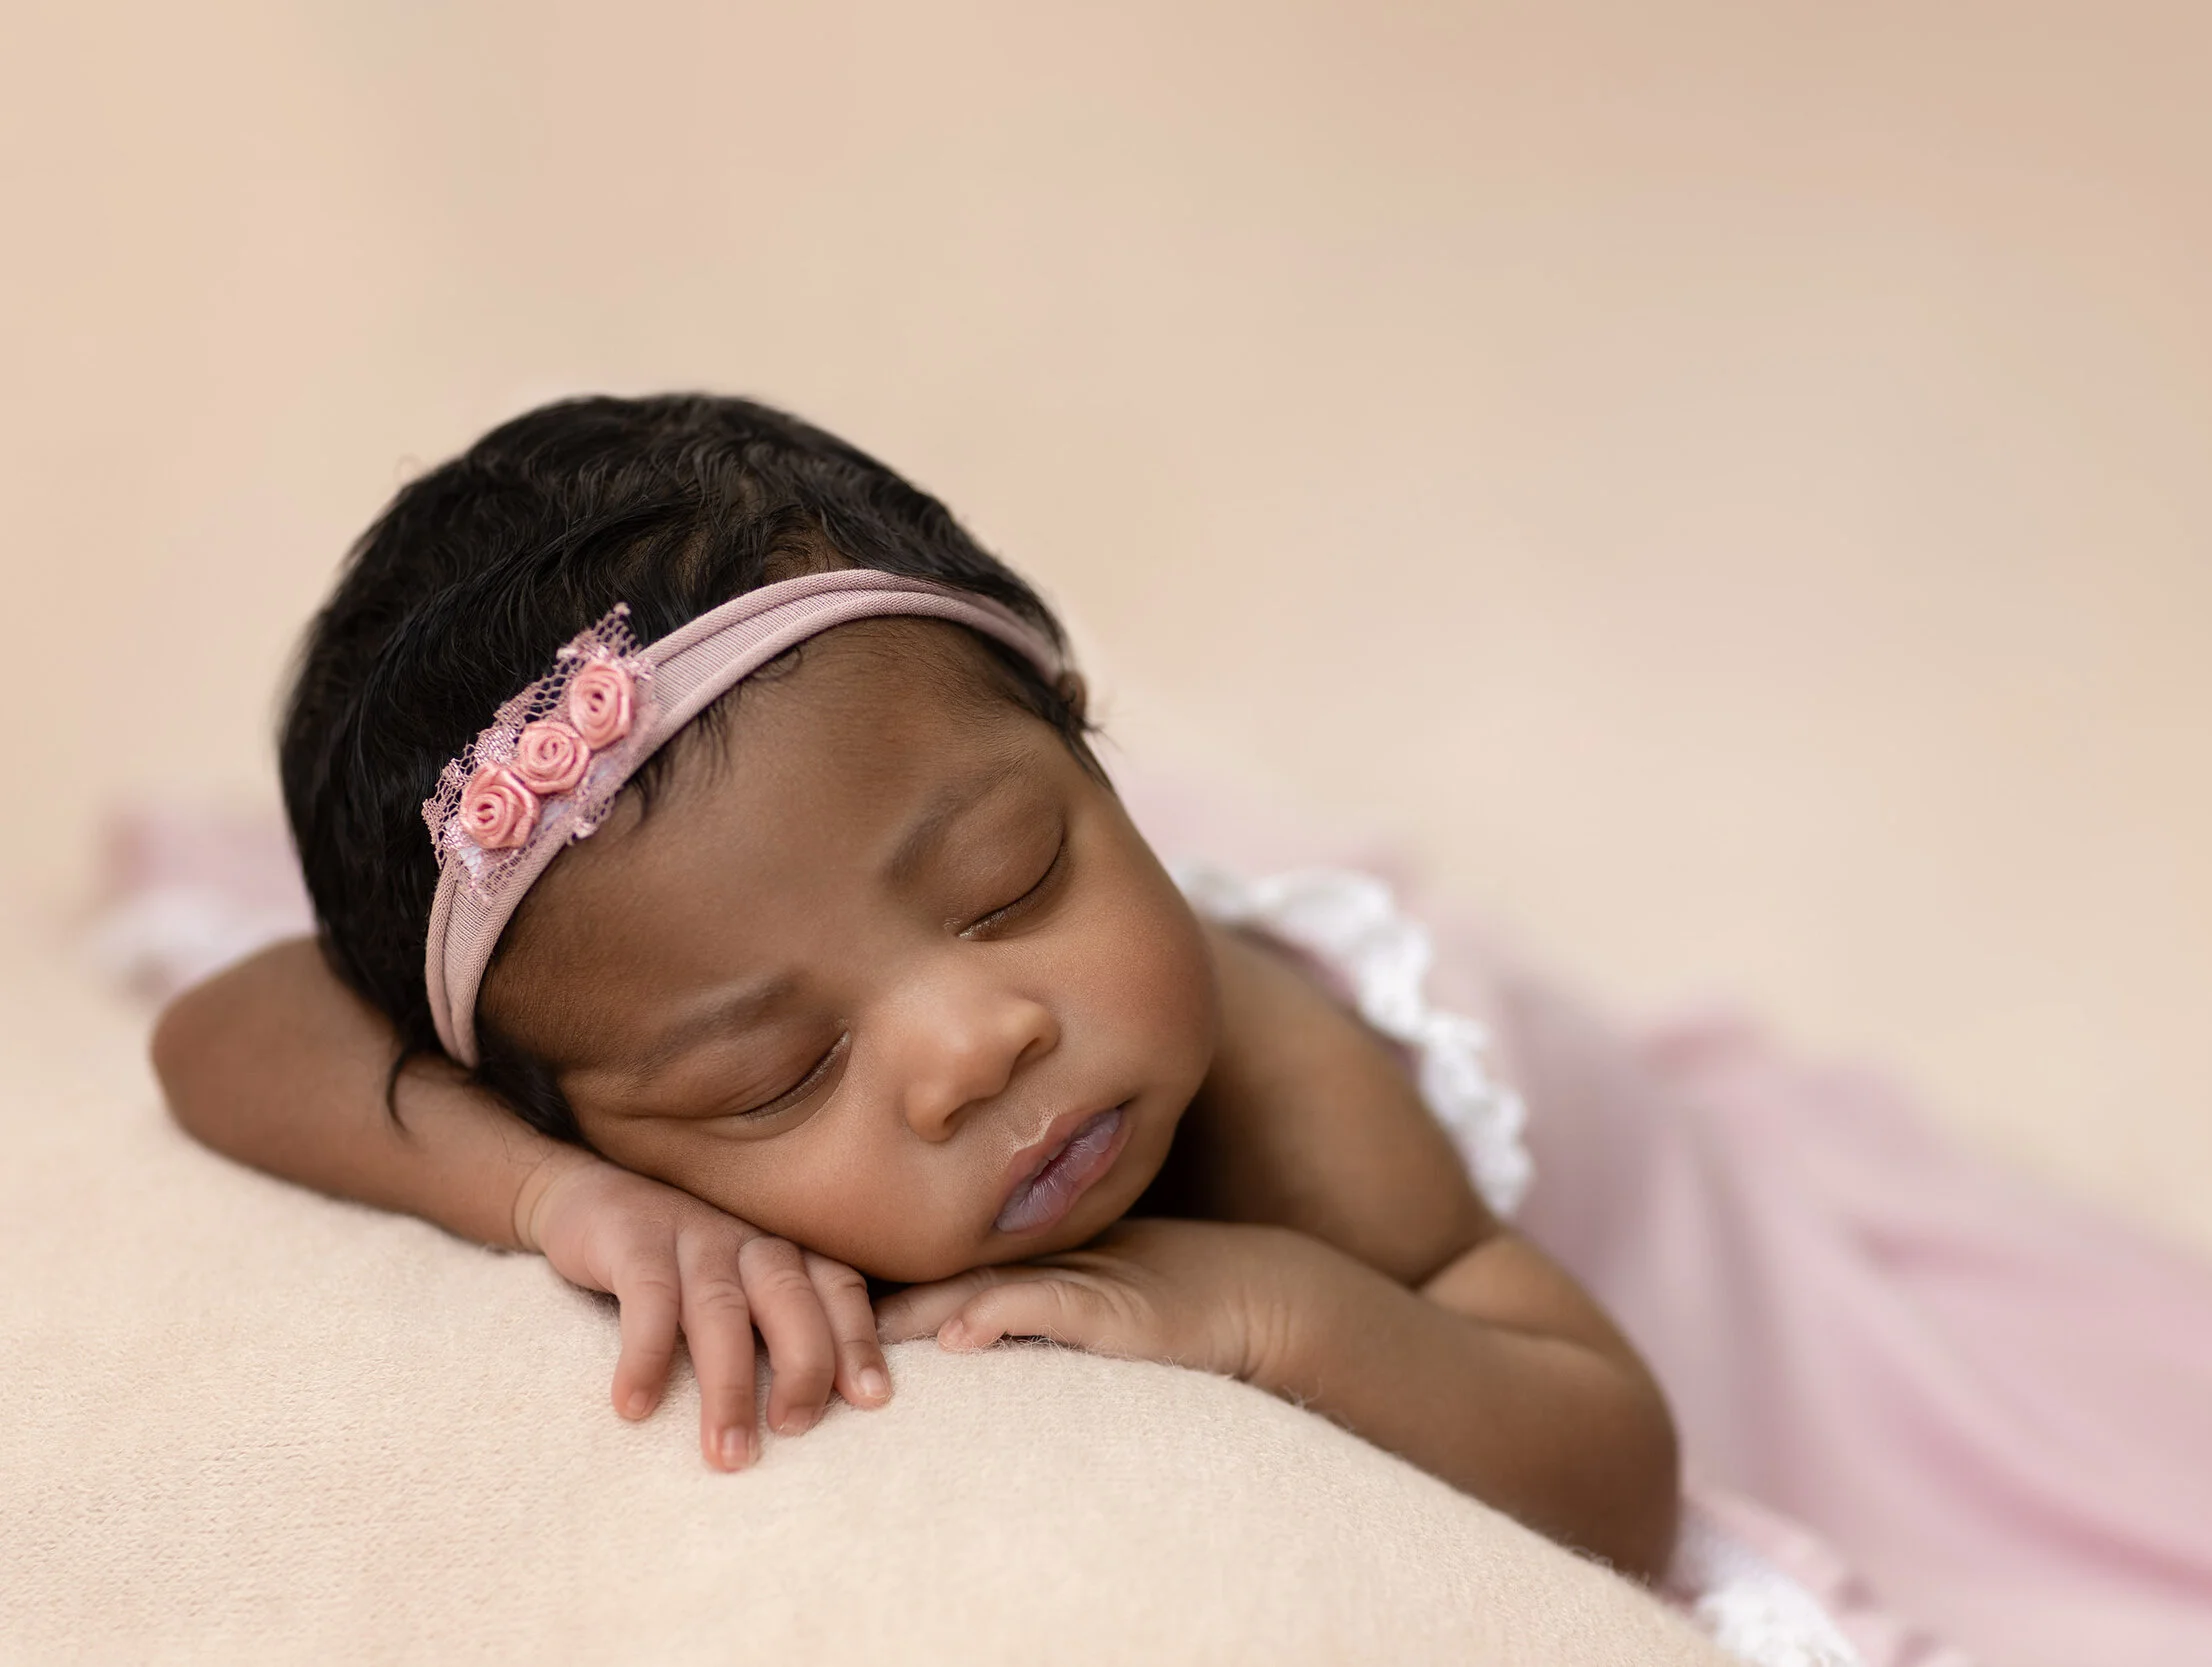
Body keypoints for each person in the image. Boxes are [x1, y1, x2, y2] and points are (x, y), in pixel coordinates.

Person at [150, 393, 1676, 1579]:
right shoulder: (606, 1048)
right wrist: (558, 1200)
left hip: (1656, 1189)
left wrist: (1268, 1313)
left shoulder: (1293, 1082)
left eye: (1013, 882)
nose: (972, 1047)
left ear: (1082, 736)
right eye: (772, 1076)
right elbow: (220, 1030)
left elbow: (1616, 1463)